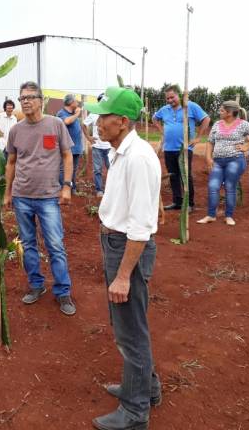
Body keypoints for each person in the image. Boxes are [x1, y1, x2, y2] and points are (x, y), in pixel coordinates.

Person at [85, 87, 162, 430]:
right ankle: (147, 387)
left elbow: (142, 227)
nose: (98, 122)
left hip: (127, 248)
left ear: (123, 121)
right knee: (128, 325)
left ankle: (134, 412)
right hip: (116, 244)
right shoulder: (119, 151)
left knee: (130, 331)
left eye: (104, 117)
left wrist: (122, 275)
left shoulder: (138, 158)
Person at [4, 81, 77, 316]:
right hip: (22, 197)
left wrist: (66, 186)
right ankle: (36, 286)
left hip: (48, 197)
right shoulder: (16, 130)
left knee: (55, 245)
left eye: (29, 97)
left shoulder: (55, 125)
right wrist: (7, 193)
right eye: (22, 97)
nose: (25, 101)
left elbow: (67, 156)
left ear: (41, 100)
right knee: (28, 244)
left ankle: (63, 291)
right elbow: (11, 162)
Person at [197, 101, 249, 226]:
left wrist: (247, 146)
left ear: (229, 113)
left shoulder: (243, 124)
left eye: (222, 110)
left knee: (229, 187)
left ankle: (229, 216)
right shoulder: (217, 124)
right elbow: (210, 142)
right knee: (213, 186)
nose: (219, 112)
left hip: (235, 160)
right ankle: (211, 215)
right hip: (217, 161)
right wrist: (208, 158)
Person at [153, 85, 210, 211]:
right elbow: (154, 119)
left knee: (185, 175)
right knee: (173, 176)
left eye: (172, 97)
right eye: (167, 98)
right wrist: (161, 130)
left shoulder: (190, 106)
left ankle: (189, 203)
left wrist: (198, 137)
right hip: (168, 148)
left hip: (184, 148)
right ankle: (177, 202)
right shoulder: (164, 109)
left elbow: (206, 119)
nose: (169, 100)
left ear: (179, 95)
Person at [82, 93, 112, 198]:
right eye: (101, 101)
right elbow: (84, 124)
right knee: (97, 170)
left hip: (109, 147)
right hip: (97, 147)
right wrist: (89, 138)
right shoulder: (94, 114)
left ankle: (111, 189)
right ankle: (99, 190)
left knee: (112, 169)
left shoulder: (110, 113)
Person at [57, 94, 84, 192]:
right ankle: (62, 188)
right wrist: (77, 114)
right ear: (71, 103)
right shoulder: (61, 113)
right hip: (67, 147)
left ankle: (72, 187)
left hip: (76, 147)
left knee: (74, 169)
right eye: (76, 101)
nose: (77, 103)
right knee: (63, 169)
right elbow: (67, 122)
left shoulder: (73, 113)